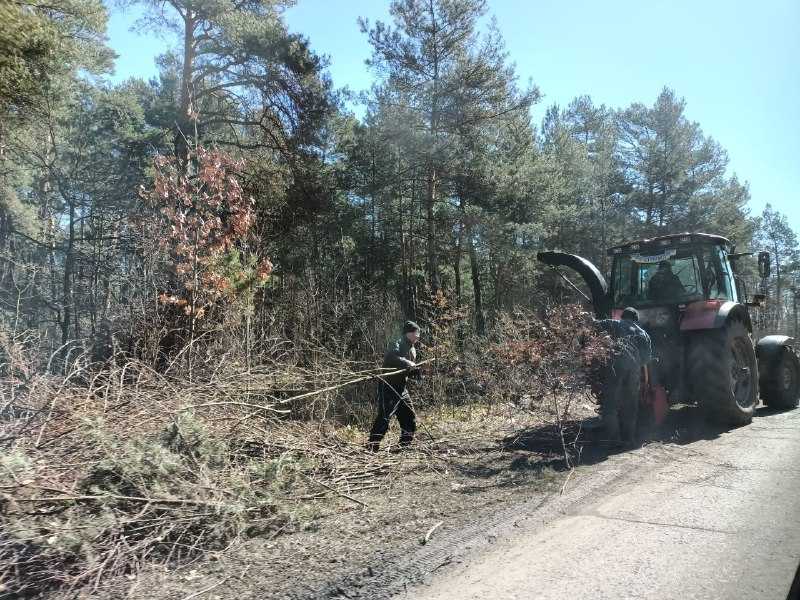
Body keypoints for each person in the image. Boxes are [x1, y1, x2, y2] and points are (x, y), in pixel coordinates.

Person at [595, 307, 652, 445]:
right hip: (634, 372)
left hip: (616, 369)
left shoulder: (616, 324)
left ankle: (615, 440)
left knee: (611, 403)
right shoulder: (643, 333)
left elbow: (595, 324)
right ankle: (629, 439)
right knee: (631, 405)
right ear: (636, 320)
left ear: (622, 317)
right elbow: (646, 359)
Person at [367, 321, 421, 452]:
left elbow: (407, 369)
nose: (418, 336)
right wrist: (408, 363)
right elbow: (391, 357)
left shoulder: (413, 348)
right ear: (408, 333)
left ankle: (404, 446)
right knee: (385, 417)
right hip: (388, 385)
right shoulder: (397, 342)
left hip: (402, 387)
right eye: (416, 333)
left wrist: (417, 372)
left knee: (409, 416)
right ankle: (372, 446)